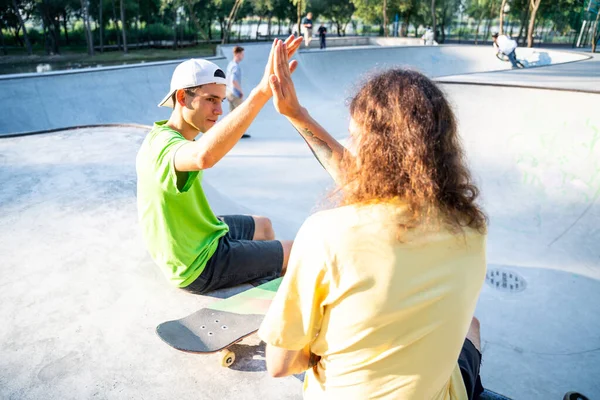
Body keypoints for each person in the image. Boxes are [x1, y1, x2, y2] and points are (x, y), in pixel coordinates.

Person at [257, 41, 488, 399]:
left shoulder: (327, 235)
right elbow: (369, 180)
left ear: (372, 149)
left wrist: (321, 343)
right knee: (470, 327)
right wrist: (297, 114)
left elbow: (279, 364)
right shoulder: (471, 228)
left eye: (354, 135)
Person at [136, 36, 302, 295]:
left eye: (221, 101)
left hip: (201, 235)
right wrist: (261, 92)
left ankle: (260, 271)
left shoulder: (163, 135)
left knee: (266, 225)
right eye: (210, 100)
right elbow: (204, 157)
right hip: (197, 265)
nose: (218, 110)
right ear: (182, 97)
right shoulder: (165, 147)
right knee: (298, 251)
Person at [226, 46, 250, 138]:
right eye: (242, 54)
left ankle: (231, 133)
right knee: (241, 113)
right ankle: (239, 133)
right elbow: (233, 80)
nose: (243, 56)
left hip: (228, 92)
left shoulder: (230, 64)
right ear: (237, 54)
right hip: (234, 93)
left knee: (232, 114)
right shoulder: (235, 66)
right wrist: (240, 91)